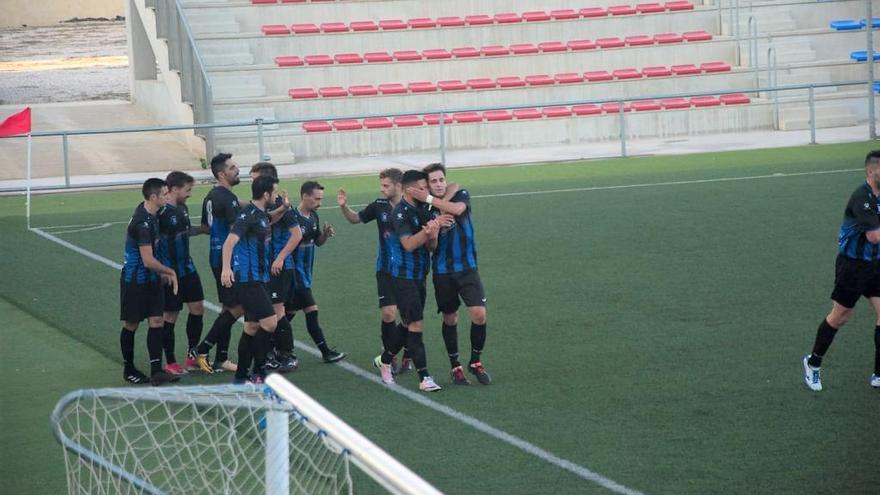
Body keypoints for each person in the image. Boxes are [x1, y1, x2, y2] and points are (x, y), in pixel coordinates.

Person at [804, 150, 880, 391]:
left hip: (876, 265)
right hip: (853, 267)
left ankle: (878, 374)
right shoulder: (862, 198)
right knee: (841, 317)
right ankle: (813, 364)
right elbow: (874, 236)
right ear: (871, 171)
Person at [414, 163, 492, 385]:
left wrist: (429, 199)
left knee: (479, 314)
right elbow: (430, 247)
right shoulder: (424, 212)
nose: (438, 184)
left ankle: (475, 361)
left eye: (441, 180)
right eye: (433, 181)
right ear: (427, 185)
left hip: (467, 268)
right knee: (451, 317)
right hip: (443, 272)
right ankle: (455, 366)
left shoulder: (460, 194)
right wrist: (434, 233)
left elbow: (458, 209)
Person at [337, 168, 414, 383]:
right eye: (381, 185)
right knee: (389, 314)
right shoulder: (379, 206)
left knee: (409, 316)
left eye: (386, 185)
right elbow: (355, 219)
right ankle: (390, 356)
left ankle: (406, 351)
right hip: (386, 270)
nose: (382, 189)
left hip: (409, 270)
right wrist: (344, 207)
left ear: (399, 186)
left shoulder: (412, 206)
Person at [385, 170, 452, 391]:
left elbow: (430, 247)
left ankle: (384, 360)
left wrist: (433, 234)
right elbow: (408, 244)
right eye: (422, 187)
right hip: (403, 276)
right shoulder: (400, 213)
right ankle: (425, 378)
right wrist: (430, 230)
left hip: (420, 274)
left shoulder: (424, 209)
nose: (426, 191)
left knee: (407, 324)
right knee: (416, 324)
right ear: (409, 189)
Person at [119, 178, 179, 386]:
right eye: (164, 194)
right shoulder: (142, 224)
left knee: (157, 321)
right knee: (132, 323)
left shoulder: (151, 214)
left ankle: (156, 370)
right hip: (135, 281)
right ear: (153, 197)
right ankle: (128, 368)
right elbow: (147, 260)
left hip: (152, 279)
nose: (168, 196)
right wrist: (169, 271)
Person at [221, 175, 280, 384]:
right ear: (266, 194)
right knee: (271, 323)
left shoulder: (261, 214)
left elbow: (268, 220)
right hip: (249, 280)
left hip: (260, 279)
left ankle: (241, 376)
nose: (276, 195)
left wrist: (283, 209)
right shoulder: (248, 216)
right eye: (274, 192)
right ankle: (259, 370)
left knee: (252, 327)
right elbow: (229, 243)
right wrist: (226, 269)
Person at [287, 181, 346, 363]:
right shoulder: (291, 217)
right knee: (312, 310)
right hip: (293, 274)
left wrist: (325, 235)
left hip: (306, 273)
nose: (319, 202)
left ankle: (270, 346)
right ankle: (325, 351)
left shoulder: (313, 216)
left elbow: (317, 242)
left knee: (287, 313)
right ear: (305, 196)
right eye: (317, 198)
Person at [250, 162, 300, 372]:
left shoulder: (279, 203)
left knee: (277, 311)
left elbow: (297, 234)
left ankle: (287, 354)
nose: (251, 181)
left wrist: (279, 258)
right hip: (264, 267)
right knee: (268, 312)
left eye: (254, 177)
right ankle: (271, 352)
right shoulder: (263, 206)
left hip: (279, 267)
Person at [194, 153, 241, 373]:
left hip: (216, 256)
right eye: (232, 168)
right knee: (237, 307)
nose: (237, 169)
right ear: (222, 174)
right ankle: (204, 348)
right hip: (227, 260)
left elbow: (205, 227)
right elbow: (236, 231)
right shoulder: (227, 198)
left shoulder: (210, 197)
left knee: (228, 307)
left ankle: (221, 357)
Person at [157, 171, 205, 376]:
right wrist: (162, 270)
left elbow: (185, 231)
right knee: (171, 315)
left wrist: (204, 229)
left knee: (198, 308)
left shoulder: (182, 209)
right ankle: (170, 361)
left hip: (188, 267)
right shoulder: (162, 213)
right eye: (188, 190)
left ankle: (191, 356)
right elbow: (155, 242)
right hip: (171, 272)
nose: (190, 194)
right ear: (174, 189)